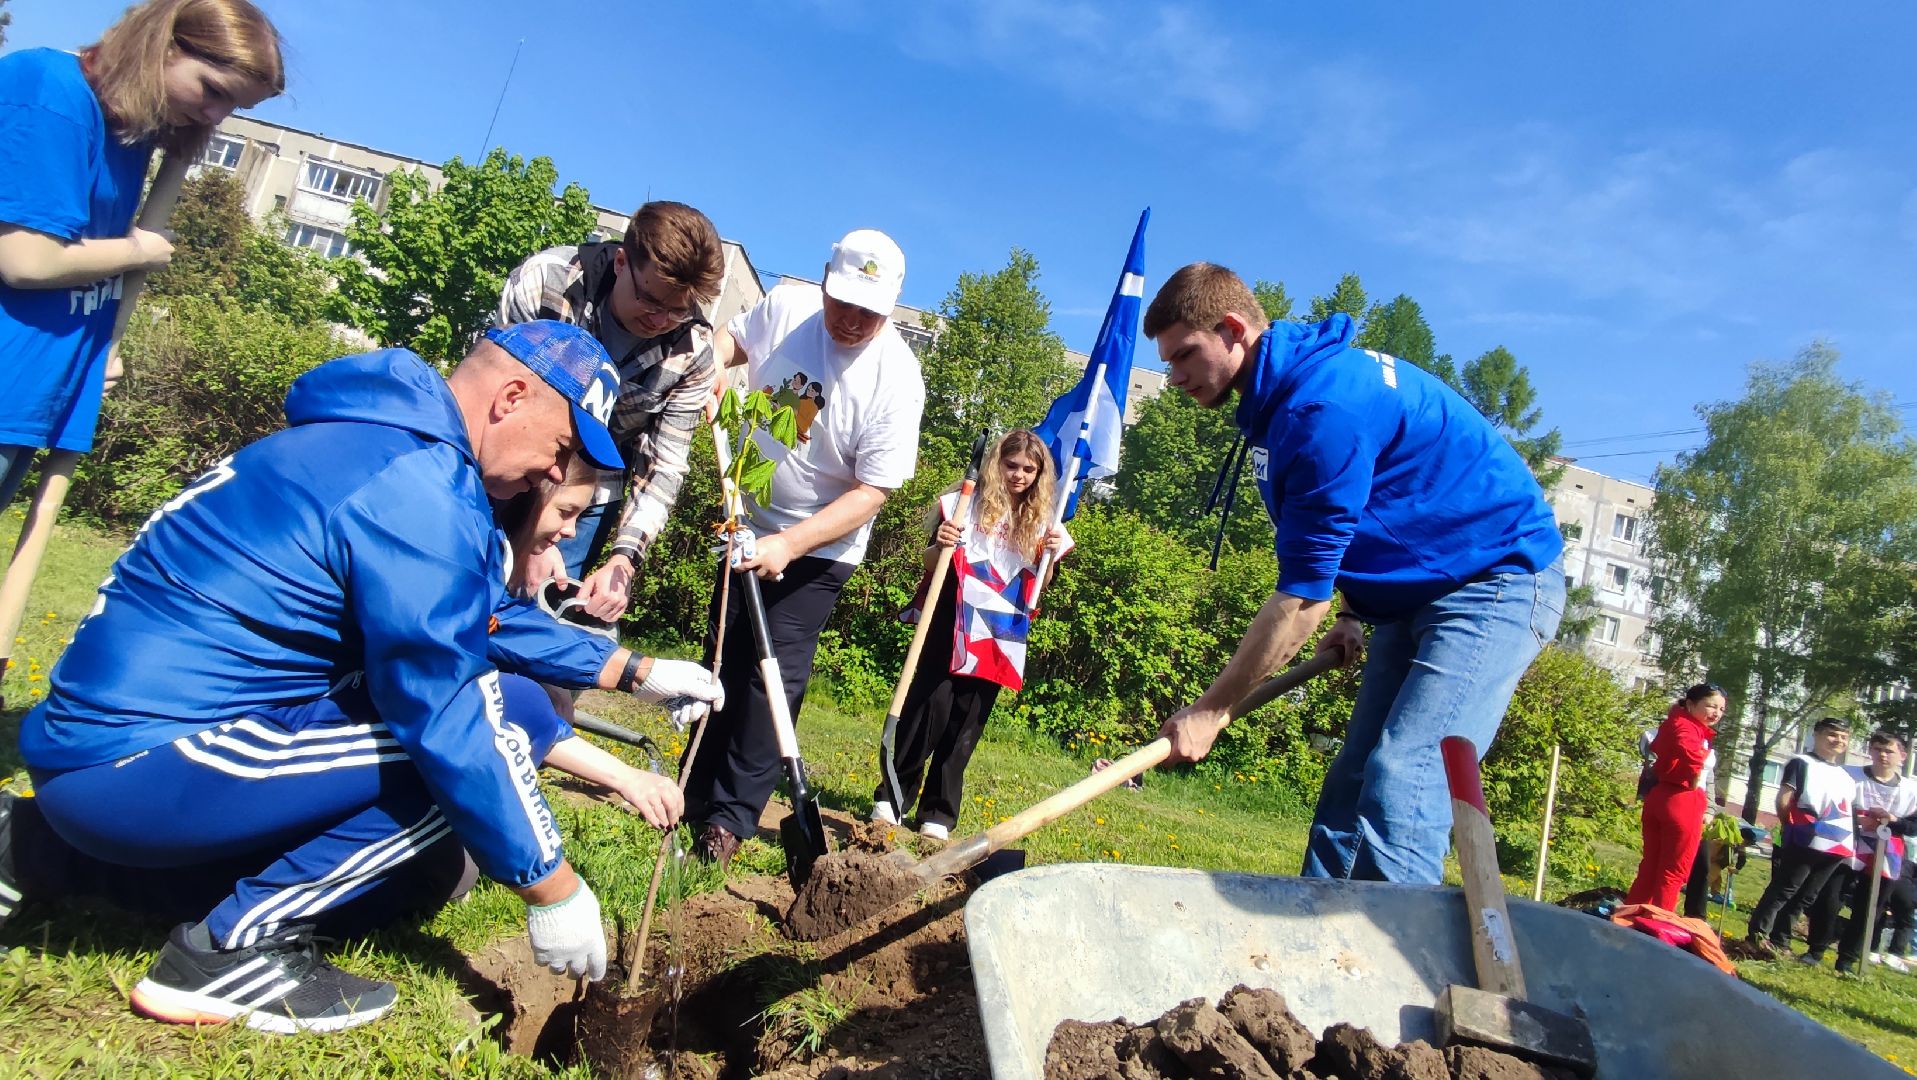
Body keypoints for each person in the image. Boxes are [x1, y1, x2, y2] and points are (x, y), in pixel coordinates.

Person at [0, 321, 722, 1033]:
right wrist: (552, 887)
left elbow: (476, 616)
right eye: (559, 447)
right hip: (149, 761)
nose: (550, 475)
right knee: (513, 721)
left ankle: (36, 848)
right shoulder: (417, 485)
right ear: (509, 398)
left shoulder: (372, 443)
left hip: (100, 758)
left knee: (418, 878)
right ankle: (225, 953)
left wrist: (634, 671)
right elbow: (445, 710)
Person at [1143, 263, 1565, 885]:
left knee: (1404, 779)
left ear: (1233, 330)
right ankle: (1318, 943)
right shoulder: (1290, 396)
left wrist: (1210, 711)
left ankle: (1400, 966)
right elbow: (1364, 517)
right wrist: (1352, 612)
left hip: (1494, 581)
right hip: (1418, 592)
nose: (1173, 376)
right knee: (1353, 780)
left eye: (1184, 355)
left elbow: (1297, 603)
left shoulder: (1321, 408)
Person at [684, 228, 925, 867]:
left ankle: (729, 819)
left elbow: (872, 491)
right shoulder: (789, 307)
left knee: (772, 677)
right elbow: (729, 342)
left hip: (819, 545)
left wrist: (789, 544)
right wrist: (711, 373)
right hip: (745, 512)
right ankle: (691, 790)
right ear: (823, 280)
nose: (849, 320)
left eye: (868, 311)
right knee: (726, 656)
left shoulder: (897, 377)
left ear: (892, 306)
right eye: (841, 301)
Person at [0, 0, 282, 509]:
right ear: (162, 44)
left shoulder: (130, 134)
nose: (217, 115)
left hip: (31, 392)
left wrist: (98, 346)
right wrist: (139, 250)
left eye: (236, 107)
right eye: (213, 90)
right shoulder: (50, 89)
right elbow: (27, 260)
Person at [497, 200, 727, 623]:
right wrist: (531, 537)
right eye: (651, 301)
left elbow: (664, 465)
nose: (662, 320)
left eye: (680, 309)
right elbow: (500, 406)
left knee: (543, 623)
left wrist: (624, 559)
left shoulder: (694, 354)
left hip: (586, 496)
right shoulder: (545, 282)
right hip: (501, 474)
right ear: (622, 262)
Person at [870, 430, 1071, 841]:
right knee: (928, 707)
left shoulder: (1044, 521)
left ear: (1039, 474)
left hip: (1000, 630)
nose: (1018, 476)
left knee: (967, 719)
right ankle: (893, 796)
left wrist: (1048, 555)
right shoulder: (965, 501)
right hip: (950, 615)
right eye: (1011, 465)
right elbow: (930, 559)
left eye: (1028, 469)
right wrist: (942, 542)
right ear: (997, 463)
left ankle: (938, 813)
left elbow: (1038, 586)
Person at [1744, 717, 1855, 961]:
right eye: (1832, 734)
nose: (1838, 740)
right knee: (1786, 887)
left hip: (1836, 844)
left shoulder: (1846, 776)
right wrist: (1791, 827)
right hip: (1807, 835)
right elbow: (1785, 798)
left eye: (1844, 737)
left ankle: (1780, 940)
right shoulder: (1801, 763)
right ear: (1817, 735)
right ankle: (1758, 935)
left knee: (1807, 895)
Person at [1625, 684, 1726, 910]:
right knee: (1673, 872)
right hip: (1682, 800)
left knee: (1651, 866)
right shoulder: (1686, 727)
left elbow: (1661, 746)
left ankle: (1631, 916)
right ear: (1691, 704)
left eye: (1721, 709)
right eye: (1710, 706)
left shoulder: (1678, 723)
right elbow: (1687, 751)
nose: (1716, 713)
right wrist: (1697, 766)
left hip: (1661, 797)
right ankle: (1657, 925)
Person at [1833, 731, 1917, 975]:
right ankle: (1816, 949)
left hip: (1887, 850)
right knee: (1831, 897)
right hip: (1848, 843)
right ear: (1870, 751)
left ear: (1901, 755)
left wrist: (1892, 821)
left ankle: (1847, 959)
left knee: (1870, 906)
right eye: (1878, 749)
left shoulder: (1910, 790)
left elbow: (1912, 826)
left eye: (1889, 750)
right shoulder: (1851, 775)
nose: (1882, 755)